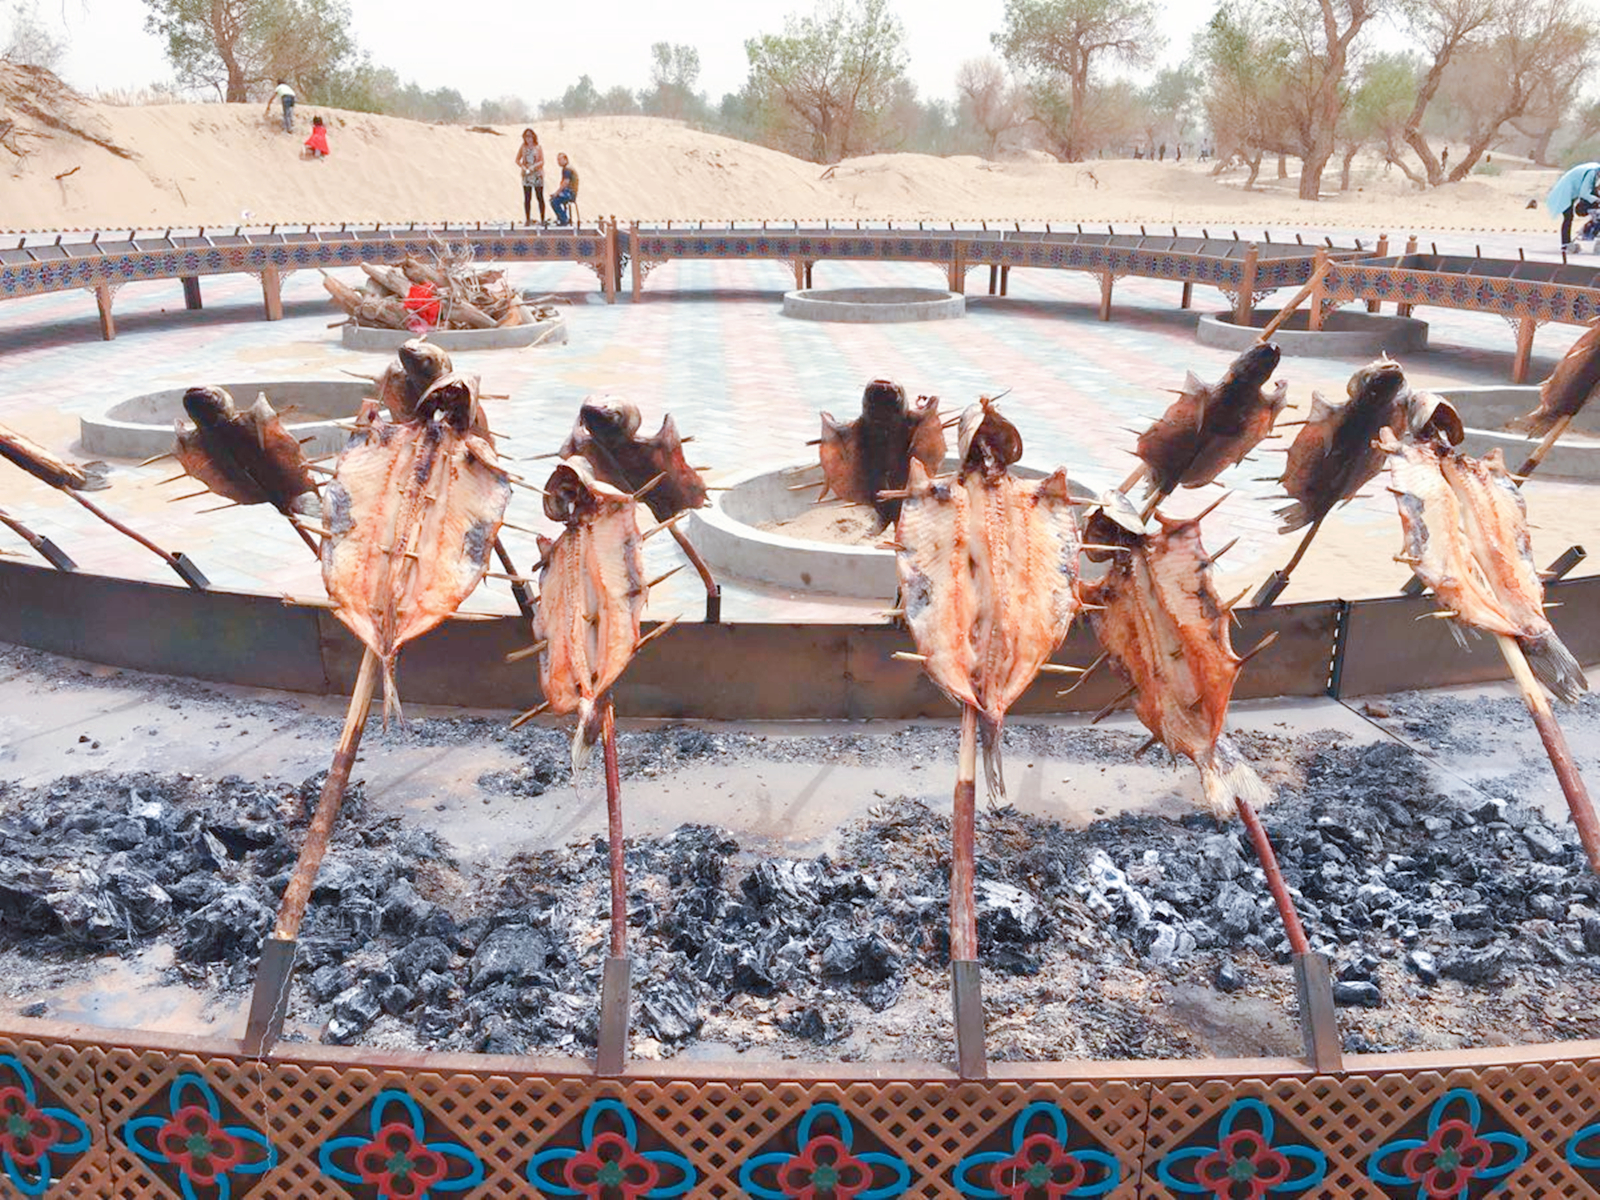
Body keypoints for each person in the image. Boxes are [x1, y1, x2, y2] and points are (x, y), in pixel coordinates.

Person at [1547, 161, 1600, 251]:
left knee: (1569, 217)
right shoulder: (1591, 173)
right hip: (1565, 192)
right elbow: (1584, 193)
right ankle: (1565, 244)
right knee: (1568, 217)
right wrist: (1597, 200)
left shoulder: (1594, 170)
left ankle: (1568, 242)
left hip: (1570, 192)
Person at [515, 129, 545, 225]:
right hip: (527, 175)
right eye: (526, 136)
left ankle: (542, 218)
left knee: (539, 196)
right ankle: (528, 219)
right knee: (527, 197)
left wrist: (534, 167)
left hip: (537, 174)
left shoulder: (538, 147)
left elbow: (542, 161)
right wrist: (523, 167)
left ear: (533, 137)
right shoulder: (523, 147)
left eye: (530, 136)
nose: (528, 138)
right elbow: (517, 160)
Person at [551, 152, 579, 226]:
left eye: (560, 160)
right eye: (558, 160)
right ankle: (562, 218)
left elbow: (565, 182)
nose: (558, 162)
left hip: (570, 193)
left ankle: (563, 219)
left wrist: (556, 193)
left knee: (554, 201)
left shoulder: (567, 169)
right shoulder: (568, 168)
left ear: (565, 159)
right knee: (555, 199)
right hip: (570, 192)